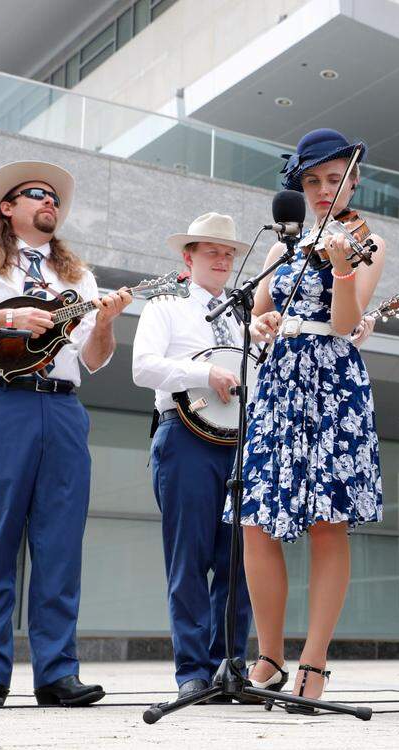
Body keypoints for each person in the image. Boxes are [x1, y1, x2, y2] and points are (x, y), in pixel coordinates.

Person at [0, 161, 131, 707]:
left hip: (62, 408)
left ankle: (58, 675)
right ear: (7, 206)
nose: (50, 202)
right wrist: (8, 320)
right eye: (37, 194)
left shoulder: (77, 275)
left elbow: (94, 359)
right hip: (0, 403)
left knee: (60, 545)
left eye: (55, 199)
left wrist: (106, 322)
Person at [225, 128, 385, 712]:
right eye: (312, 180)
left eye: (334, 179)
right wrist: (260, 324)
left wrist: (341, 269)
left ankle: (314, 661)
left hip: (333, 383)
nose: (322, 190)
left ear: (354, 181)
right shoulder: (282, 246)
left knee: (327, 522)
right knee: (257, 520)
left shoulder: (368, 242)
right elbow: (255, 317)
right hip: (279, 381)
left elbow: (345, 324)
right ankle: (269, 658)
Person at [131, 212, 255, 700]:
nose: (222, 260)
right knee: (188, 559)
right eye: (211, 252)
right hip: (185, 439)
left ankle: (229, 667)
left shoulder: (243, 317)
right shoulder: (166, 307)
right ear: (189, 258)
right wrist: (204, 375)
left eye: (228, 253)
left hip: (238, 443)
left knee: (238, 561)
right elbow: (143, 367)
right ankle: (192, 673)